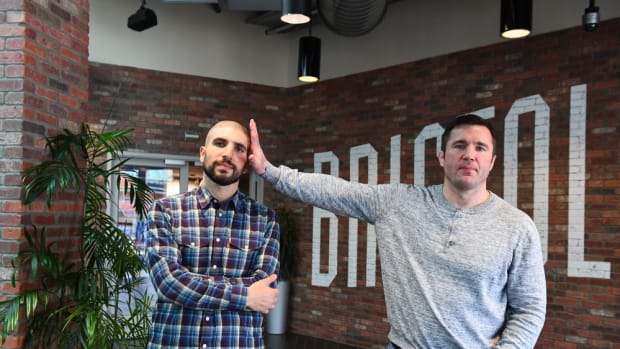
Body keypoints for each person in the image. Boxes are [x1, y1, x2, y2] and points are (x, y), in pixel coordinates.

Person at [248, 115, 546, 349]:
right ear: (442, 156)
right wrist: (270, 172)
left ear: (492, 161)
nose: (470, 154)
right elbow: (335, 191)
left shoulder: (516, 226)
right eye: (459, 145)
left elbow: (530, 308)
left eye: (480, 147)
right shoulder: (398, 204)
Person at [145, 120, 280, 349]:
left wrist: (191, 282)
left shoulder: (265, 220)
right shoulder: (165, 211)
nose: (228, 153)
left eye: (239, 148)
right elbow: (169, 283)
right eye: (220, 143)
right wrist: (245, 297)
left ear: (245, 165)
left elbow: (264, 289)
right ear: (202, 153)